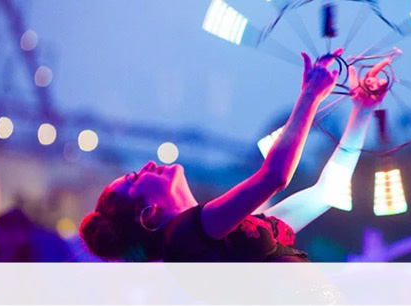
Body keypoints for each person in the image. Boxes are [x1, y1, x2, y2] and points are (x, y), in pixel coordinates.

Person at [80, 49, 390, 261]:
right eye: (134, 179)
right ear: (149, 214)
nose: (146, 165)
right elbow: (274, 176)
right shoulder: (183, 236)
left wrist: (361, 112)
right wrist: (310, 95)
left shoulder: (236, 234)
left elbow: (326, 193)